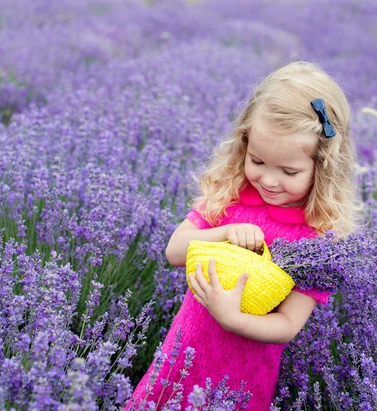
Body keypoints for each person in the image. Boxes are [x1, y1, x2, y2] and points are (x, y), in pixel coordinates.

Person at [124, 61, 361, 410]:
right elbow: (174, 251)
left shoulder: (318, 240)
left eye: (289, 171)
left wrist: (232, 319)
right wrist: (222, 232)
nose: (267, 179)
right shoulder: (229, 195)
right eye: (258, 161)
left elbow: (288, 324)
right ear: (243, 144)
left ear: (323, 169)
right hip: (182, 358)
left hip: (241, 377)